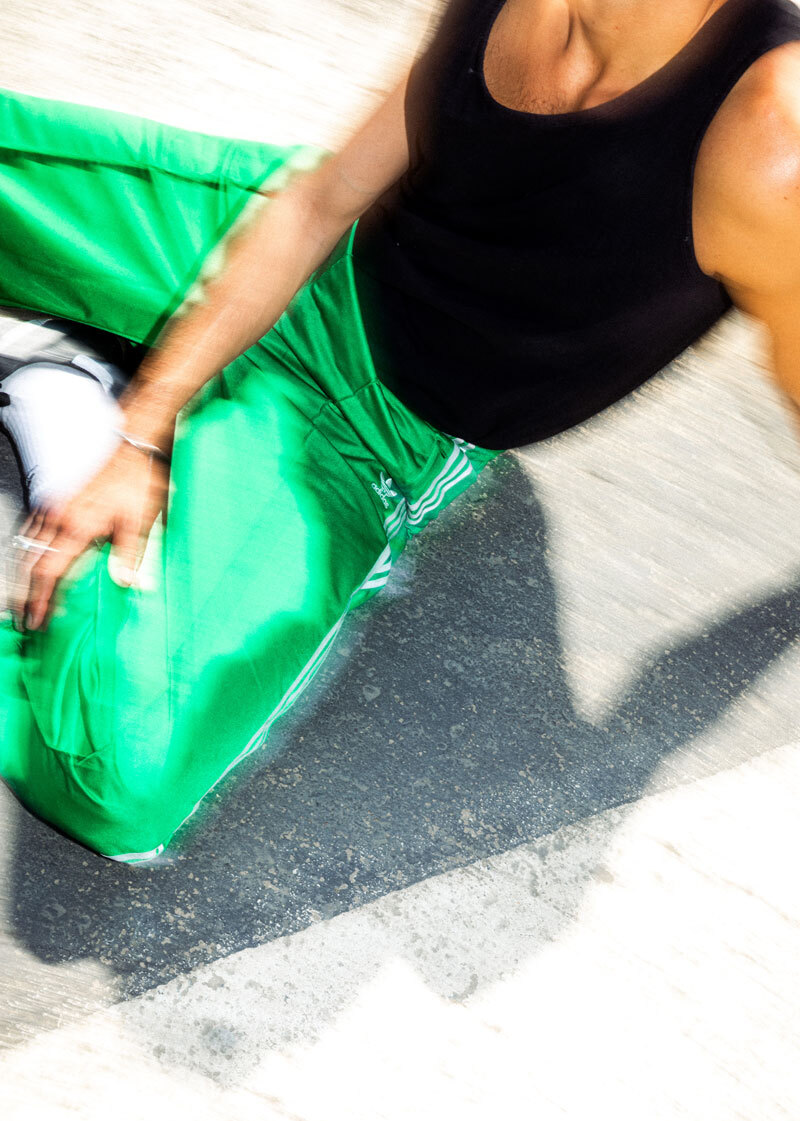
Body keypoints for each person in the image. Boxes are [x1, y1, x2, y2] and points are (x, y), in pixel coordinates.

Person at [1, 0, 800, 861]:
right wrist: (145, 430)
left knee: (119, 781)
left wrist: (114, 441)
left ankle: (67, 407)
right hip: (295, 251)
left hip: (368, 430)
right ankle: (137, 394)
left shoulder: (771, 137)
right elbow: (319, 202)